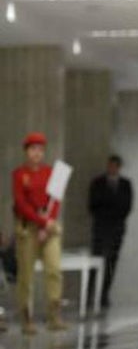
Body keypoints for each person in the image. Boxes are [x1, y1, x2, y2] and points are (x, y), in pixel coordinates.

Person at [12, 132, 65, 335]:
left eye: (40, 150)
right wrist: (41, 222)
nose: (37, 153)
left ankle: (54, 315)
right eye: (33, 149)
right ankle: (27, 318)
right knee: (26, 274)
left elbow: (55, 200)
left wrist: (47, 224)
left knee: (54, 269)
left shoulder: (52, 172)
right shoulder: (19, 174)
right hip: (28, 227)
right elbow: (21, 203)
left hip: (49, 227)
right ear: (26, 151)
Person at [87, 154, 133, 308]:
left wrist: (113, 212)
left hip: (116, 228)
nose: (112, 168)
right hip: (101, 227)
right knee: (96, 261)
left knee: (111, 263)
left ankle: (104, 295)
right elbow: (93, 205)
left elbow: (126, 207)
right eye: (110, 165)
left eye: (115, 166)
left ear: (119, 167)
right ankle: (89, 294)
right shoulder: (98, 183)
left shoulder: (125, 185)